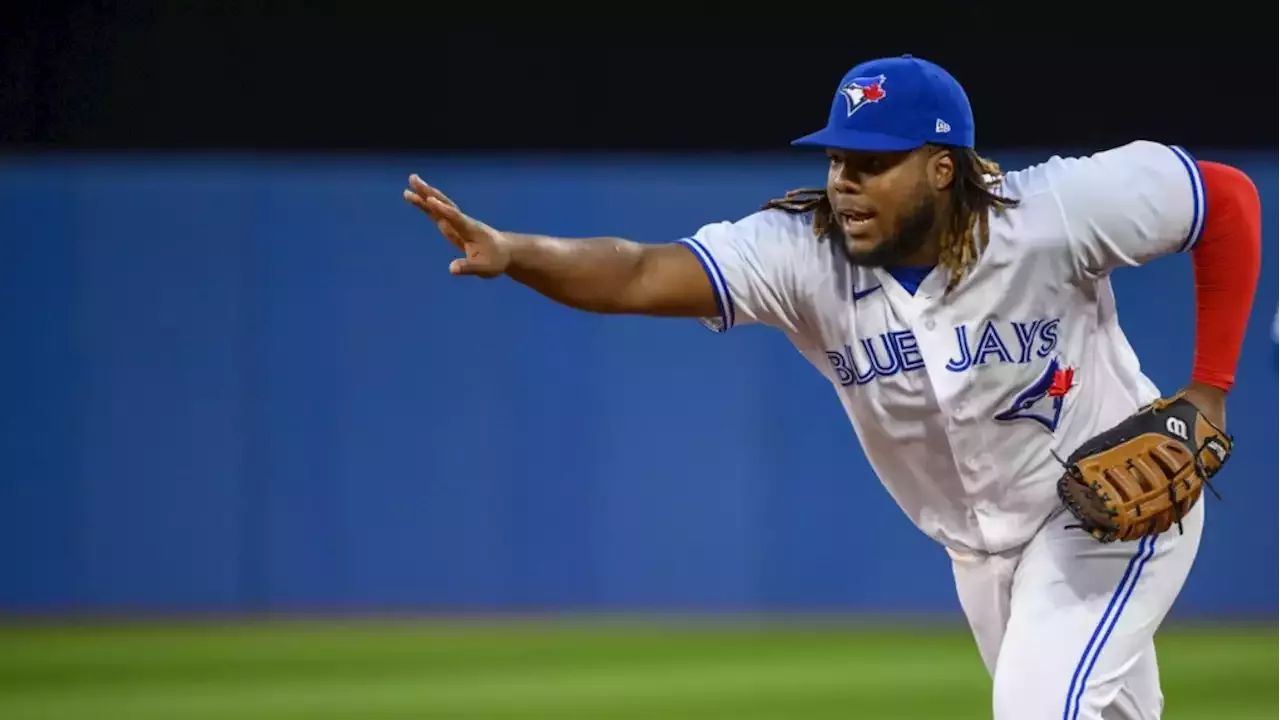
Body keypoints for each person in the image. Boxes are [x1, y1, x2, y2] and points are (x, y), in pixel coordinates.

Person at [403, 54, 1261, 719]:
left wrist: (1209, 390)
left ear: (940, 166)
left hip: (1110, 505)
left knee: (1038, 708)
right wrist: (517, 254)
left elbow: (1224, 200)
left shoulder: (1053, 213)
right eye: (838, 156)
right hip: (979, 554)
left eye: (872, 161)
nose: (844, 178)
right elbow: (634, 274)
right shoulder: (801, 256)